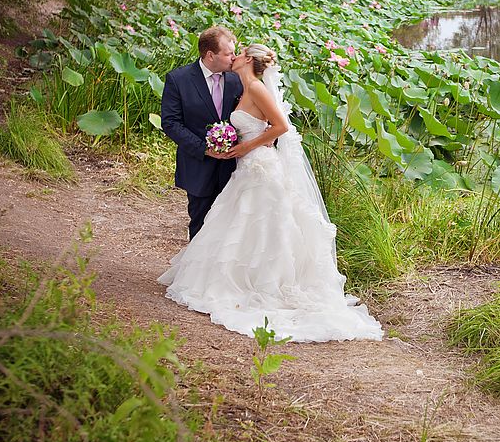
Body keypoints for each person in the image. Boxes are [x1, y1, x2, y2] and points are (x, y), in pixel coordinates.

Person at [157, 44, 383, 343]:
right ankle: (236, 278)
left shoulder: (257, 88)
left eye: (238, 52)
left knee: (265, 222)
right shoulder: (245, 86)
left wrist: (244, 147)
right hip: (247, 166)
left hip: (260, 165)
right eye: (230, 51)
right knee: (242, 221)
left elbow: (281, 127)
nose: (233, 56)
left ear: (248, 59)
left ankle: (265, 285)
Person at [161, 26, 243, 240]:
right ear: (210, 55)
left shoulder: (237, 79)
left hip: (234, 168)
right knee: (200, 224)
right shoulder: (178, 80)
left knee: (232, 229)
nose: (234, 58)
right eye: (228, 54)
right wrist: (205, 149)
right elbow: (170, 123)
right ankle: (195, 272)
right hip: (198, 166)